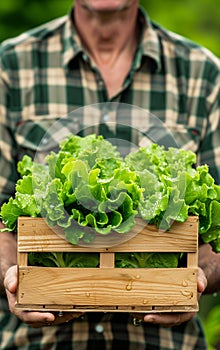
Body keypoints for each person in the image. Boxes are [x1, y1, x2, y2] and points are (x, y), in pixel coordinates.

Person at [0, 0, 219, 349]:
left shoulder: (205, 75)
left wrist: (198, 277)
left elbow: (215, 229)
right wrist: (12, 275)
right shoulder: (9, 67)